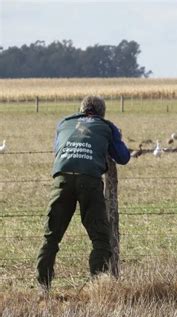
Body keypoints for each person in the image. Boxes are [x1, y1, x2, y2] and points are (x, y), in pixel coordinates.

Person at [37, 95, 130, 291]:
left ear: (81, 109)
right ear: (101, 112)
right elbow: (123, 157)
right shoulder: (106, 126)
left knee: (52, 235)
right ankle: (97, 286)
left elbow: (57, 149)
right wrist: (115, 137)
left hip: (61, 179)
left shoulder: (65, 122)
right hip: (89, 180)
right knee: (100, 238)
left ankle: (43, 286)